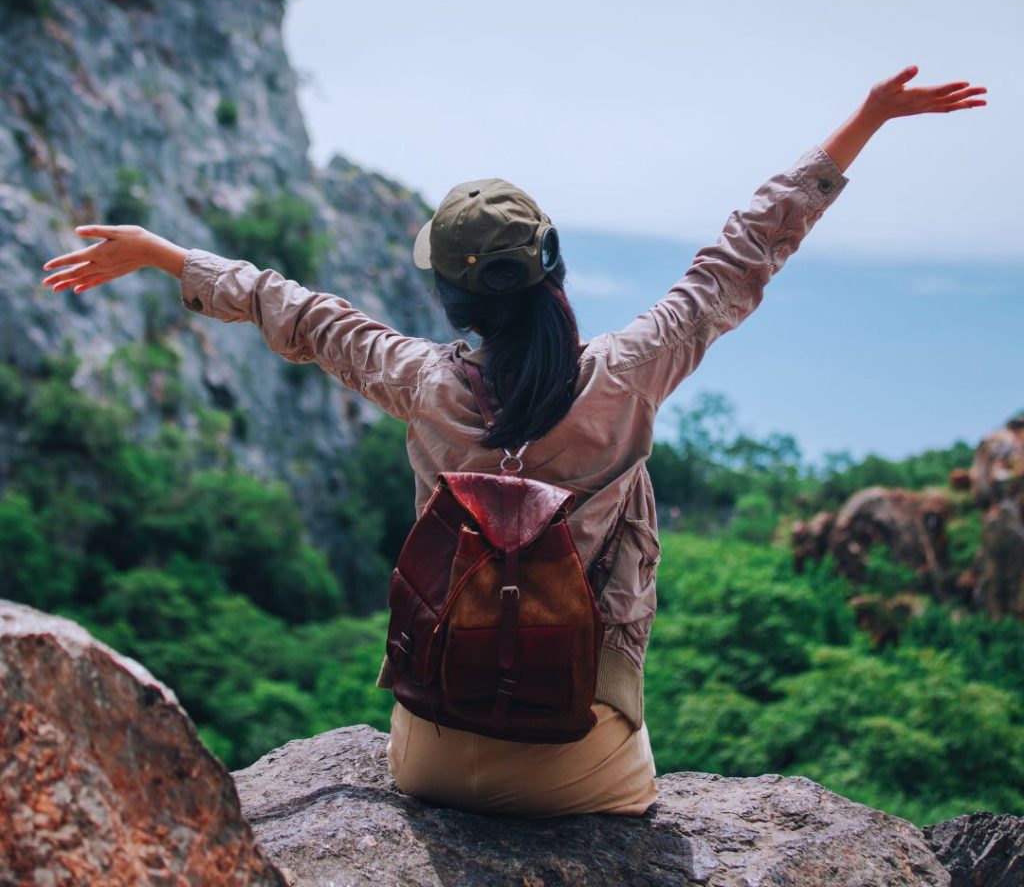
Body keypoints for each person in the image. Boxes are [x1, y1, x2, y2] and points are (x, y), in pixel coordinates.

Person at [39, 65, 986, 817]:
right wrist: (864, 120)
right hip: (585, 762)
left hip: (429, 756)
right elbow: (739, 255)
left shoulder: (420, 381)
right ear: (554, 271)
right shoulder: (630, 372)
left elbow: (301, 313)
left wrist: (166, 254)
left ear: (451, 297)